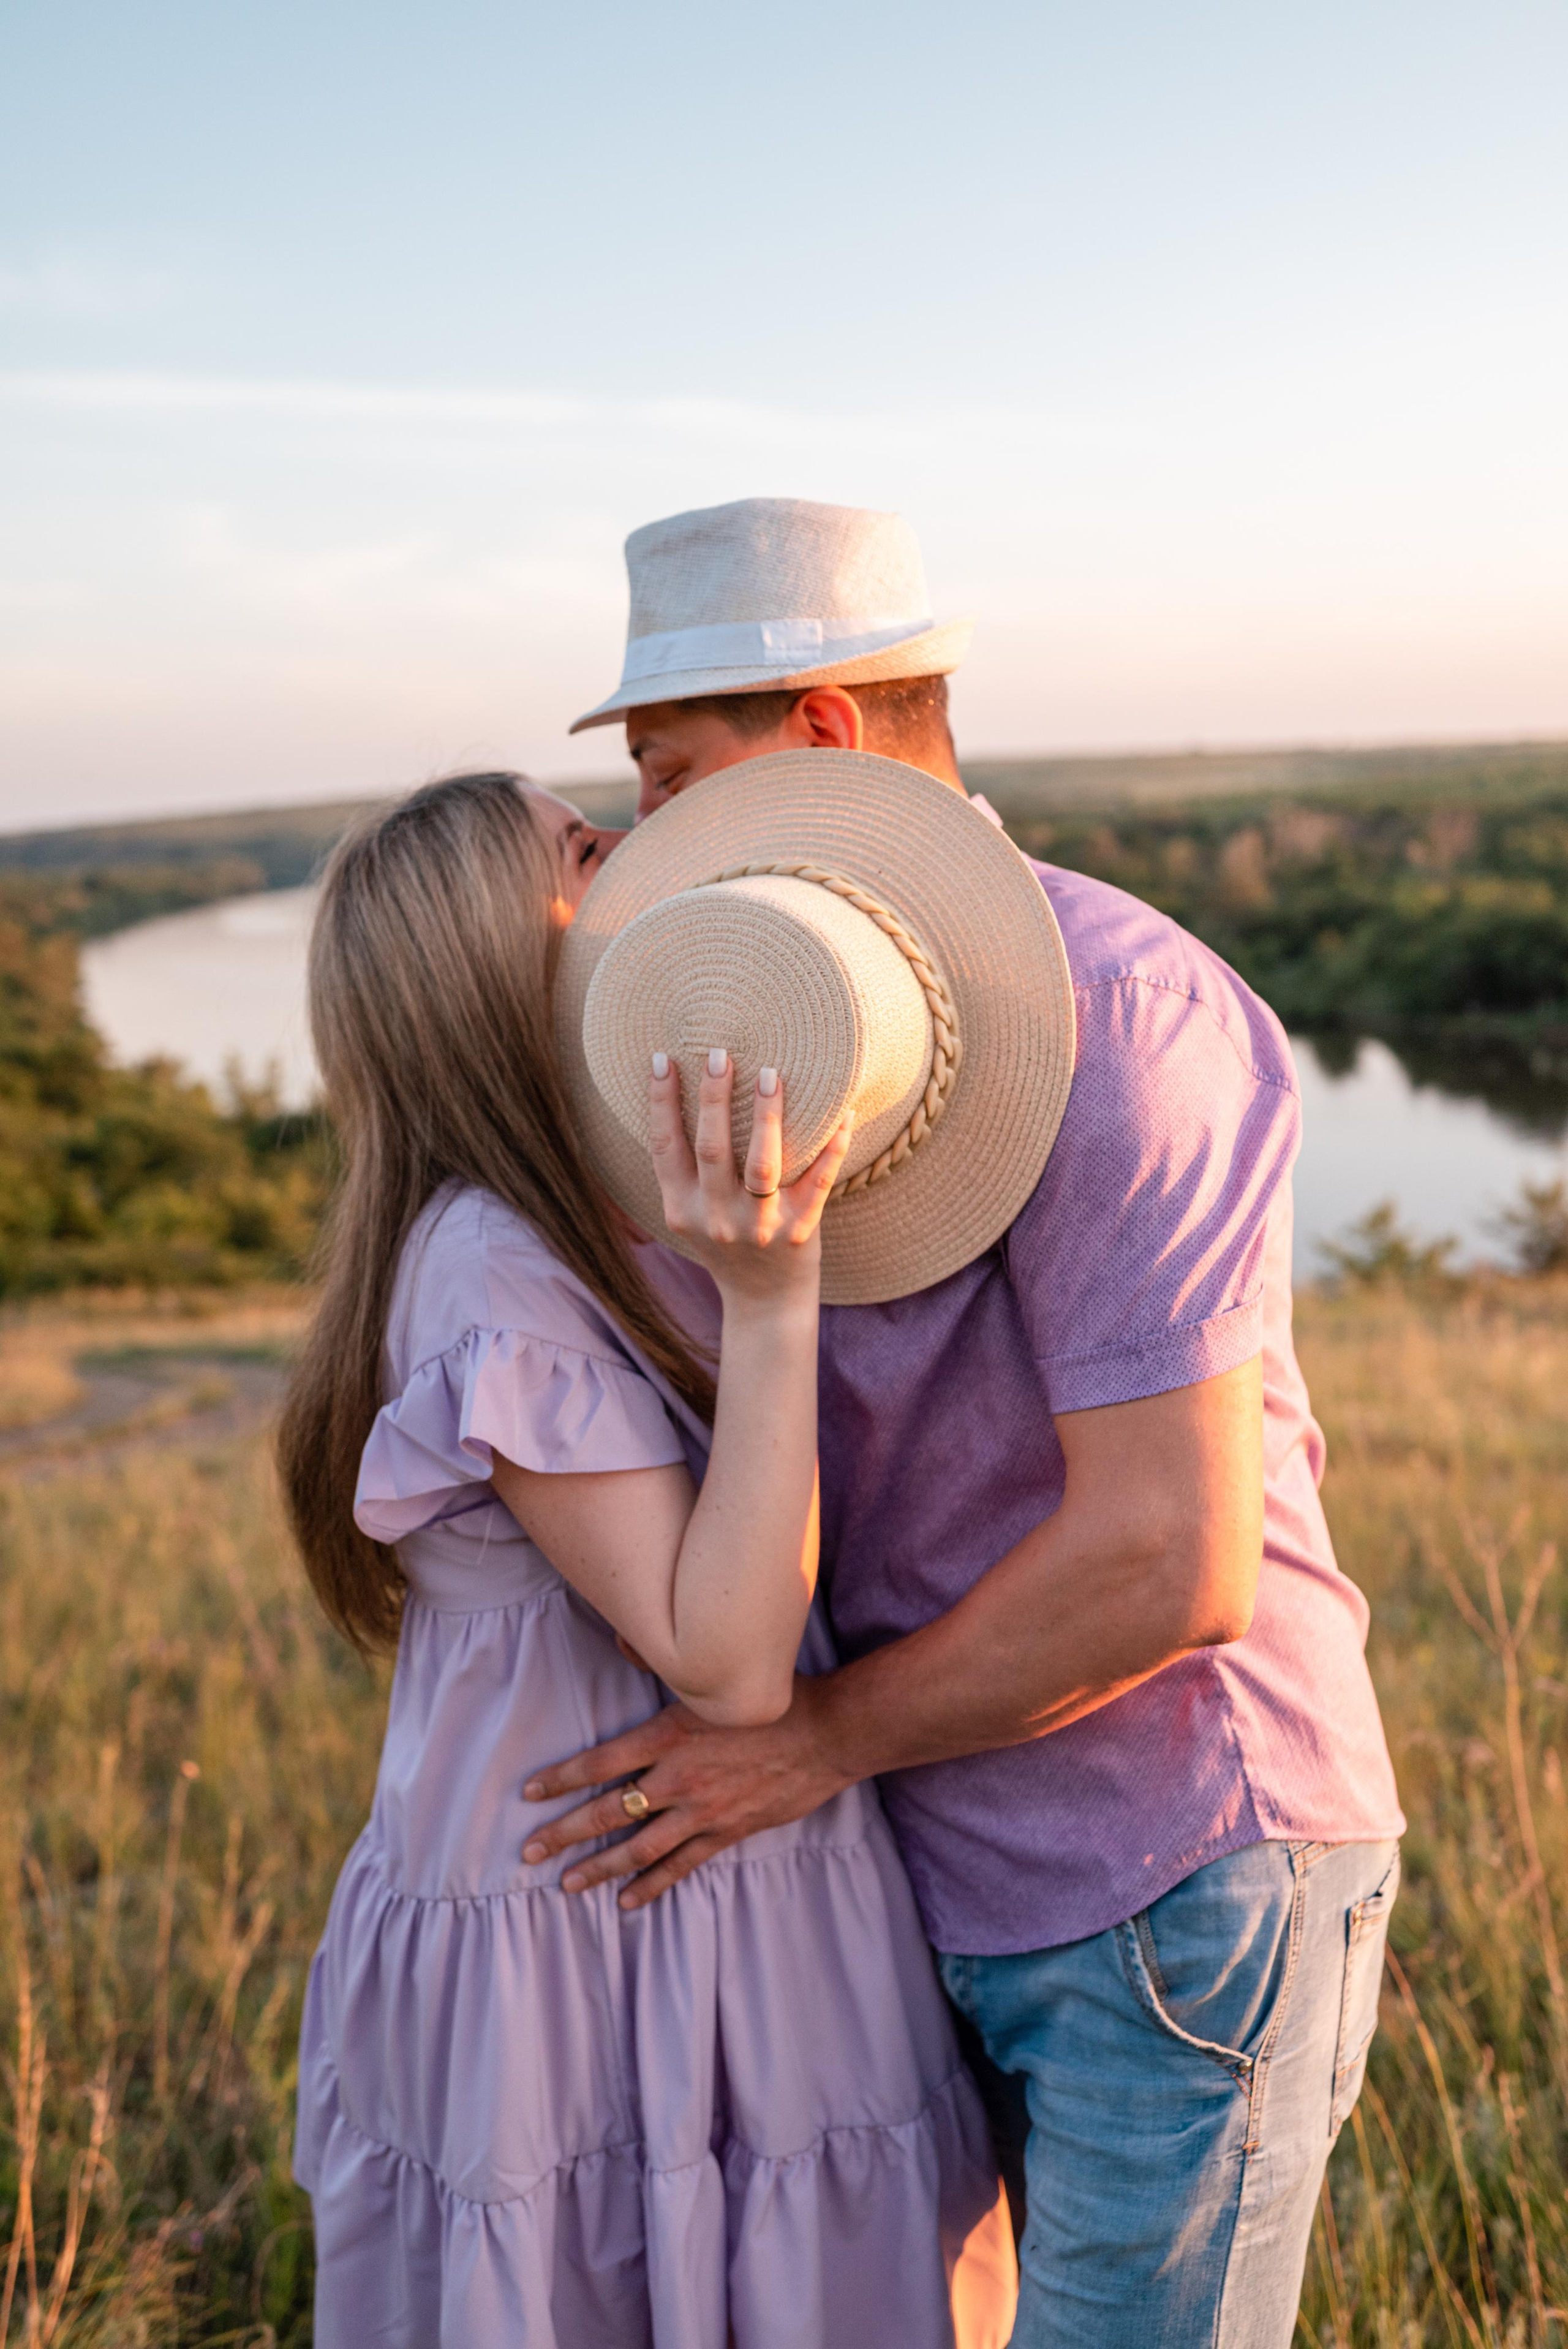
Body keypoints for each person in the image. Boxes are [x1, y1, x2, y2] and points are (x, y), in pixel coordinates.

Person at [523, 497, 1407, 2349]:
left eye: (671, 782)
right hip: (925, 1863)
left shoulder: (1123, 1017)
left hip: (1172, 1868)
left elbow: (1169, 1558)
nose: (645, 851)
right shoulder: (737, 1027)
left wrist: (809, 1743)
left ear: (825, 739)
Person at [279, 771, 1017, 2348]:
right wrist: (772, 1300)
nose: (637, 861)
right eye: (589, 851)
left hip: (669, 1893)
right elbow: (730, 1662)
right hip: (615, 1924)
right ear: (499, 959)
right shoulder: (494, 1259)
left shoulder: (565, 1225)